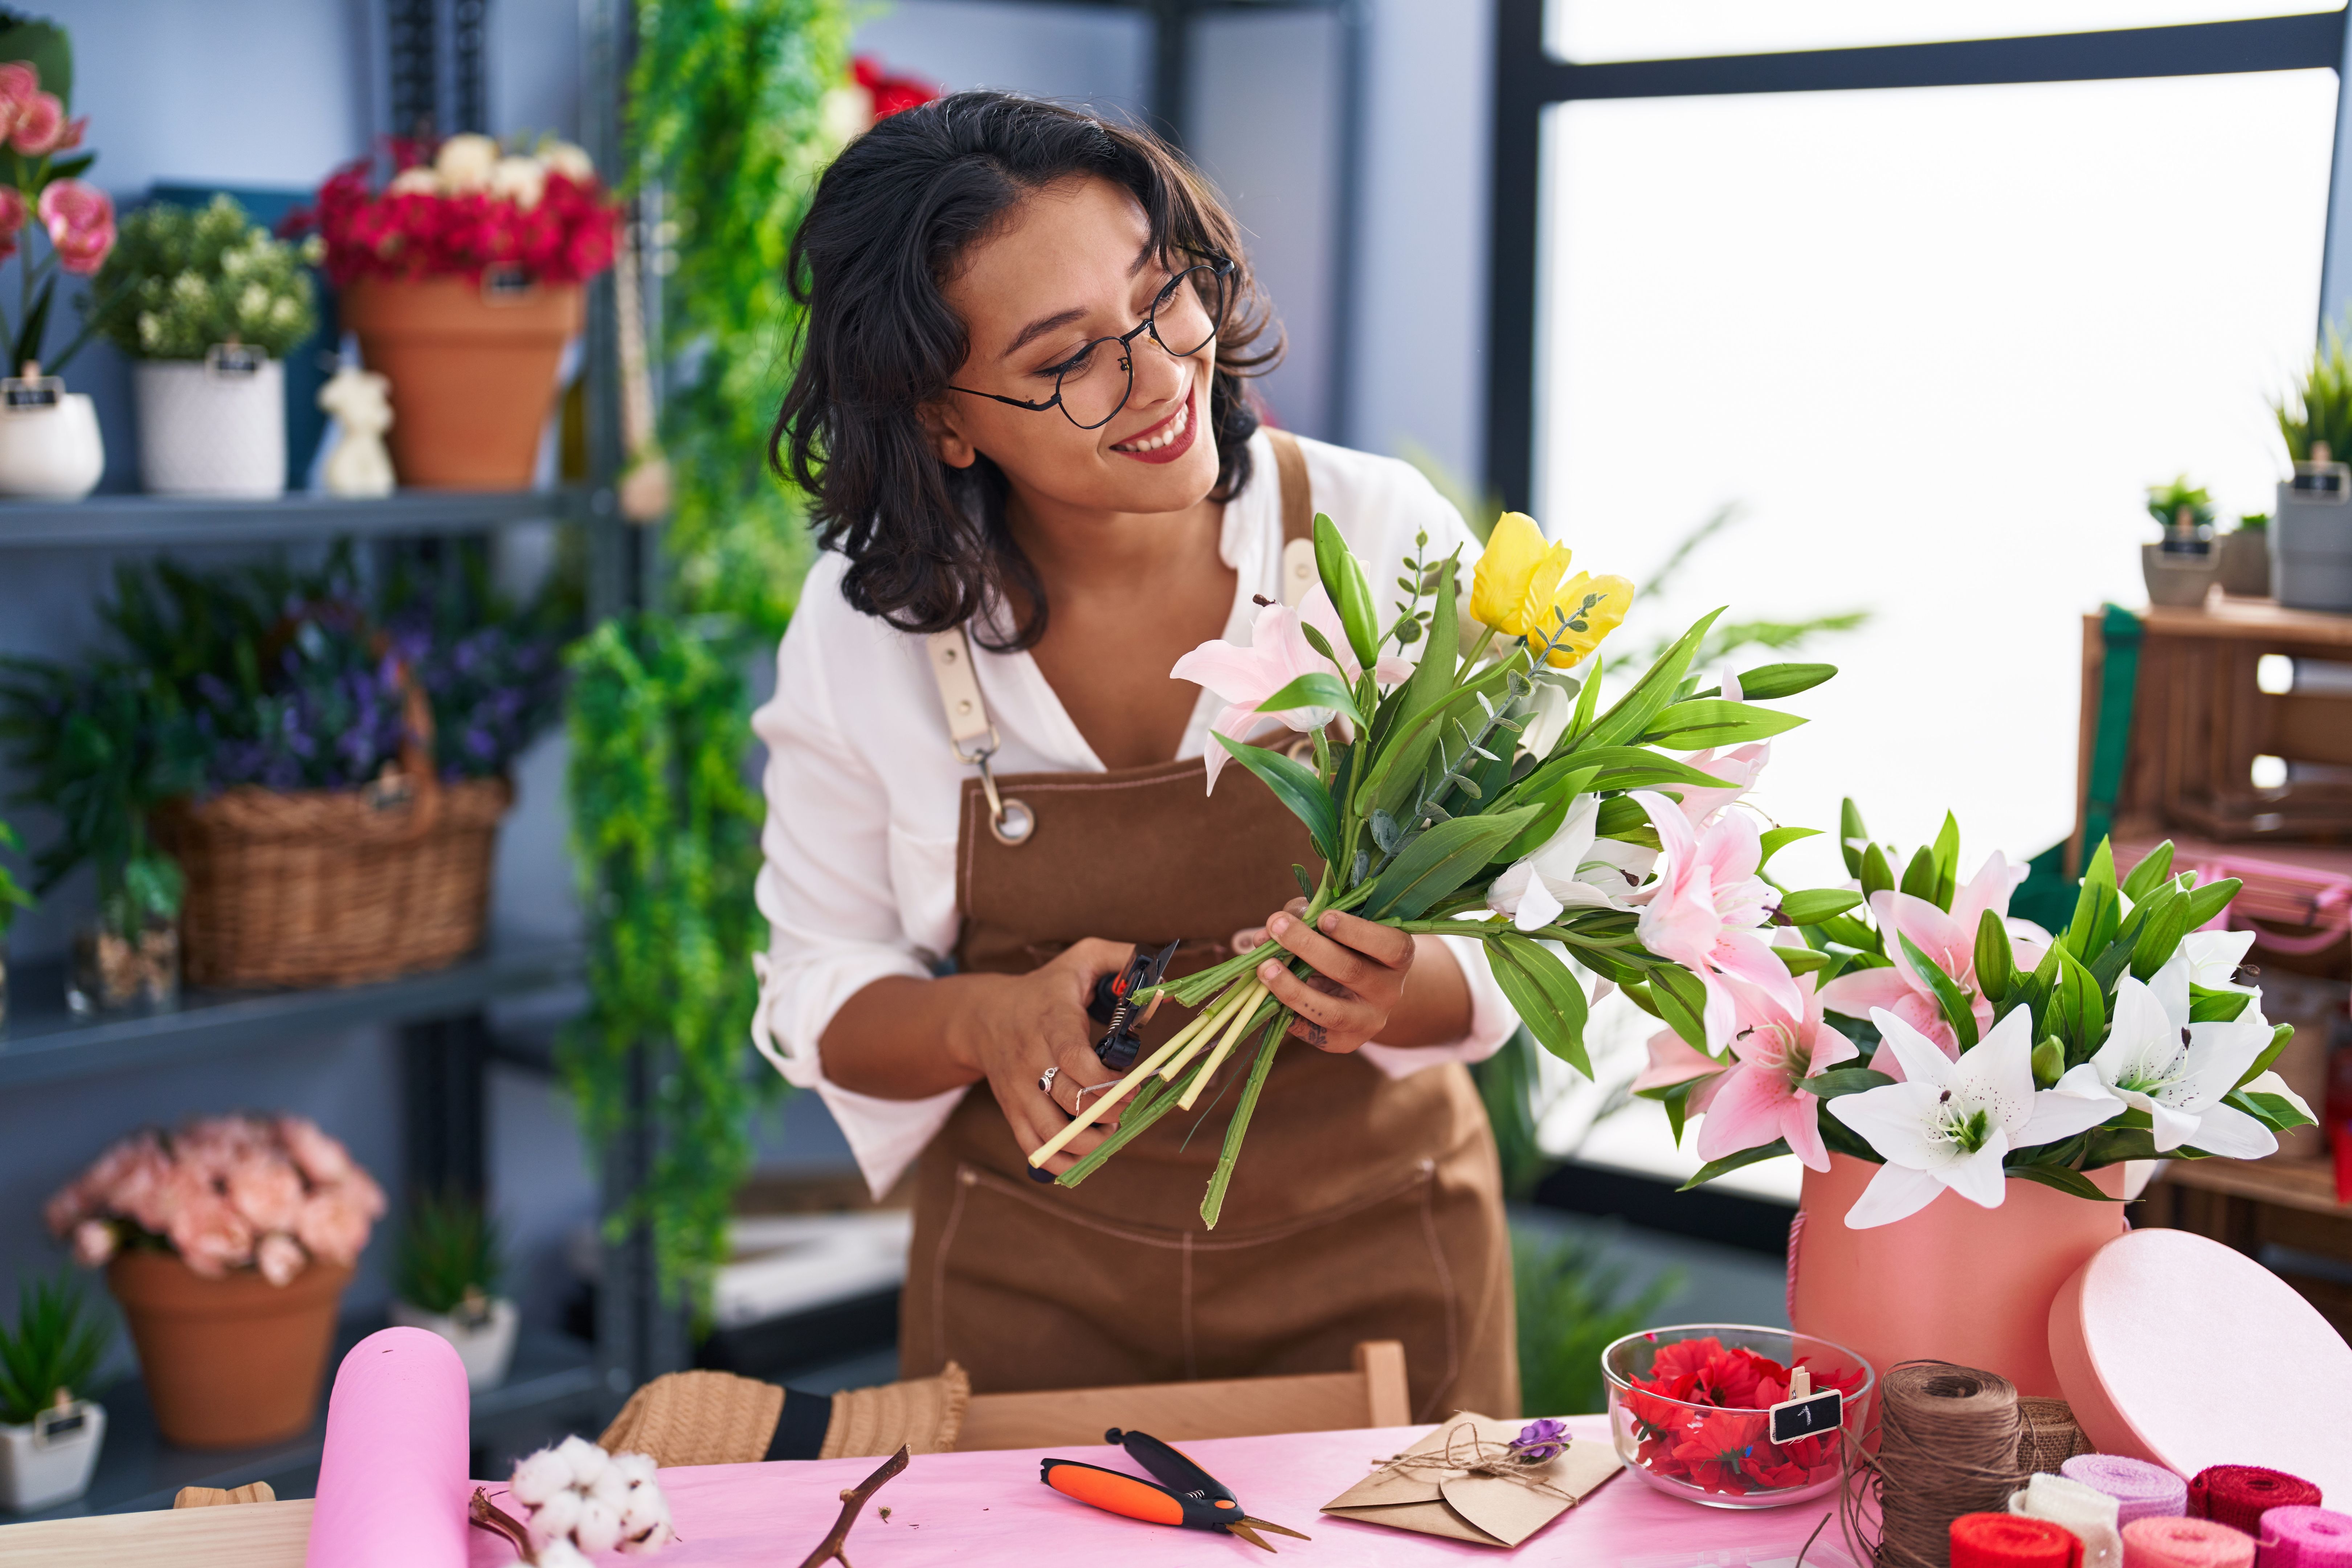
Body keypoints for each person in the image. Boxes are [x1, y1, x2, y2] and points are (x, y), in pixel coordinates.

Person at [752, 91, 1519, 1421]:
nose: (1163, 375)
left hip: (1382, 1264)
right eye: (1067, 360)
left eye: (1166, 298)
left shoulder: (1366, 533)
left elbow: (1543, 914)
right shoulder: (868, 623)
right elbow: (820, 987)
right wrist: (988, 1021)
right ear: (941, 417)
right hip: (1027, 1286)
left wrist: (1401, 990)